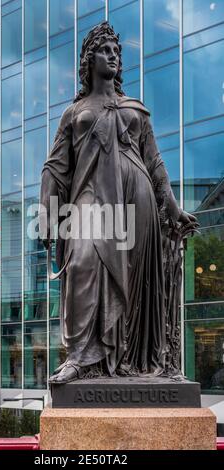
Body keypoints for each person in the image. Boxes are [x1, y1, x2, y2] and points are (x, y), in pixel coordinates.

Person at [40, 22, 198, 383]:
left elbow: (154, 160)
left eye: (116, 52)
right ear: (88, 59)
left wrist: (172, 208)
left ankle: (128, 360)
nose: (112, 56)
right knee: (81, 262)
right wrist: (48, 213)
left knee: (131, 283)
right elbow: (56, 167)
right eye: (104, 50)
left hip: (137, 199)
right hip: (92, 200)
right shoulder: (73, 112)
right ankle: (82, 356)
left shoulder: (135, 109)